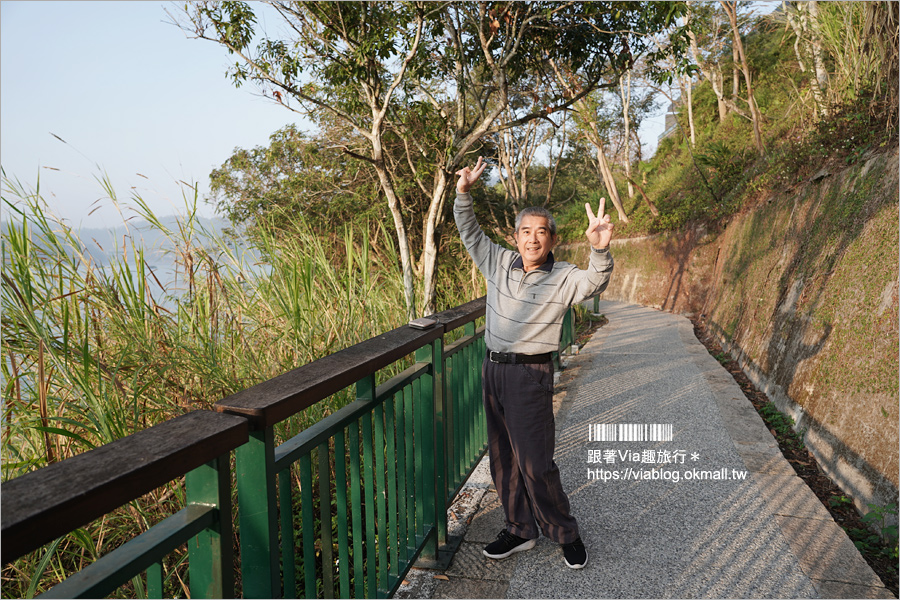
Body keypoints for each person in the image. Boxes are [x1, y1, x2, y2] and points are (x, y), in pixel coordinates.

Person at [454, 156, 614, 570]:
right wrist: (463, 193)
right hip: (493, 370)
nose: (532, 239)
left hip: (530, 374)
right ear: (515, 236)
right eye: (525, 232)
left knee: (536, 462)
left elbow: (595, 281)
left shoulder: (564, 276)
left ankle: (565, 532)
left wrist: (600, 249)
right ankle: (519, 529)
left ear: (552, 241)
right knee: (502, 458)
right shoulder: (497, 263)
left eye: (541, 233)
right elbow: (469, 231)